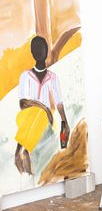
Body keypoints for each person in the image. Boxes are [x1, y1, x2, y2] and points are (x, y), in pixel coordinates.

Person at [15, 36, 70, 174]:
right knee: (36, 113)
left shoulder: (53, 77)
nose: (40, 51)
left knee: (40, 116)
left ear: (46, 51)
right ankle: (21, 151)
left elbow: (59, 102)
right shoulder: (25, 76)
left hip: (44, 121)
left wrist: (65, 121)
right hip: (26, 118)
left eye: (42, 48)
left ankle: (21, 151)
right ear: (33, 53)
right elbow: (23, 103)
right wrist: (43, 108)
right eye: (36, 49)